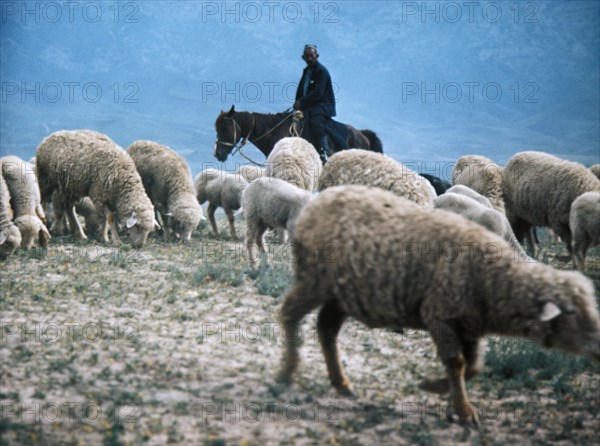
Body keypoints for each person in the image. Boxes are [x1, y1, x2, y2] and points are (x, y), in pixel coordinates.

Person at [293, 44, 349, 161]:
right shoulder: (307, 71)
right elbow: (301, 90)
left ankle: (324, 151)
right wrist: (297, 103)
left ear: (316, 56)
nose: (309, 58)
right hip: (310, 105)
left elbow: (318, 93)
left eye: (311, 56)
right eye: (307, 56)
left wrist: (302, 102)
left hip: (323, 105)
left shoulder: (321, 71)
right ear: (303, 57)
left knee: (315, 120)